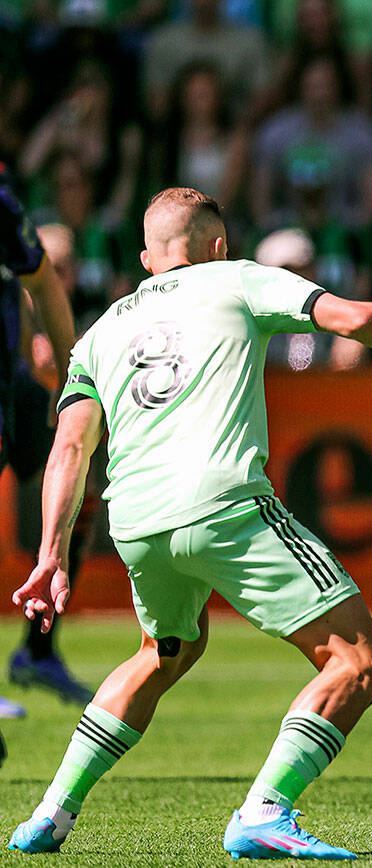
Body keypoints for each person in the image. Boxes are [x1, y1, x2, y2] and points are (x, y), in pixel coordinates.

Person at [8, 187, 372, 859]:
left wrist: (51, 553)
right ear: (217, 244)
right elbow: (354, 319)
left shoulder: (100, 333)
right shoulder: (235, 277)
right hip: (222, 504)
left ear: (149, 256)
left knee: (163, 651)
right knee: (360, 660)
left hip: (137, 522)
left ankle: (50, 813)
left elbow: (70, 446)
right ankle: (264, 811)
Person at [1, 164, 79, 719]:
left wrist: (74, 379)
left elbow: (39, 279)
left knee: (82, 495)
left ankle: (39, 650)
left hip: (12, 382)